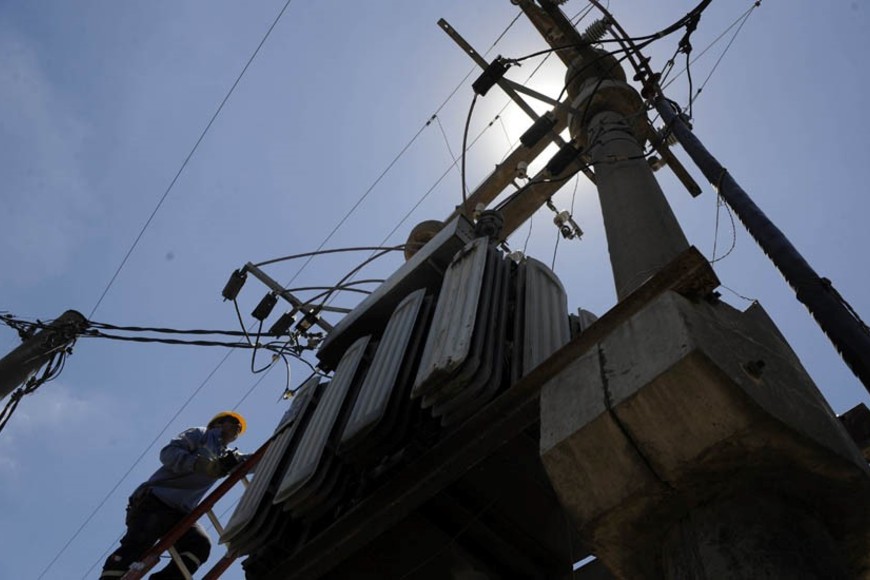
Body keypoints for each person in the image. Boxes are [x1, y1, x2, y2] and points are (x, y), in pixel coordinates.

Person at [100, 411, 249, 579]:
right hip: (156, 501)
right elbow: (168, 453)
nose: (238, 426)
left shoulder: (227, 456)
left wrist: (273, 448)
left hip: (180, 513)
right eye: (233, 421)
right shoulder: (201, 434)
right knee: (137, 545)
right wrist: (199, 464)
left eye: (240, 427)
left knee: (199, 545)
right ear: (218, 423)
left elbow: (252, 462)